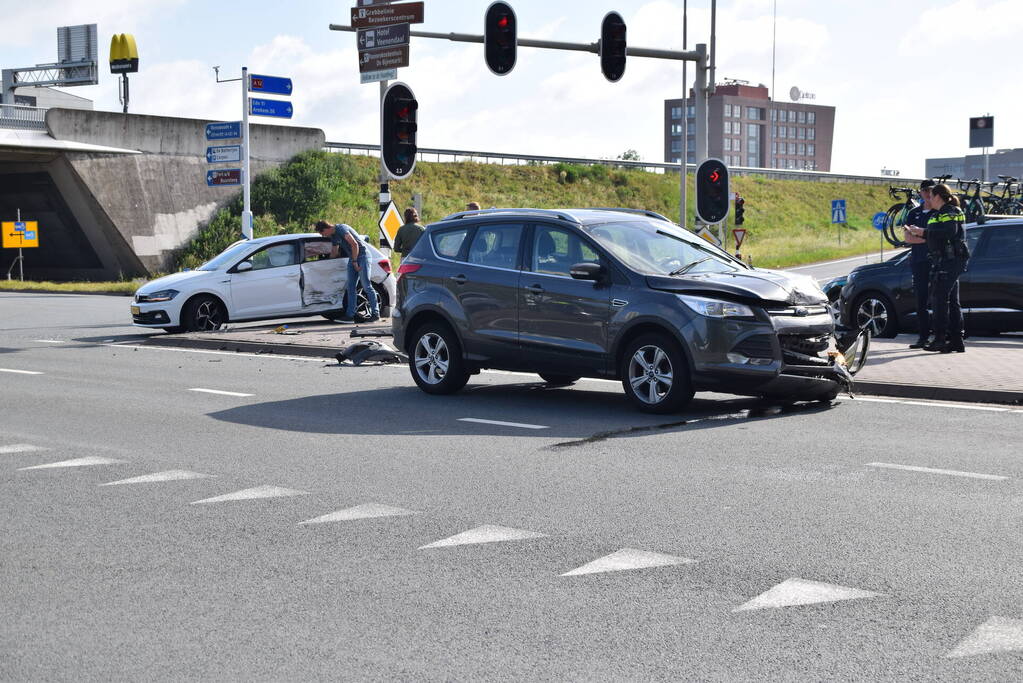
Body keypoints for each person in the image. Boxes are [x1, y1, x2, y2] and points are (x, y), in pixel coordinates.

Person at [922, 184, 967, 353]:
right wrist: (922, 233)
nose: (929, 199)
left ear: (938, 197)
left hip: (950, 260)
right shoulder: (941, 213)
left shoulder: (949, 211)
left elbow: (949, 232)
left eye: (931, 196)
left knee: (939, 299)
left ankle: (940, 339)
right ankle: (956, 341)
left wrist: (924, 232)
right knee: (952, 301)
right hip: (945, 260)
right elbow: (938, 234)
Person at [314, 220, 379, 324]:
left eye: (322, 233)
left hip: (362, 256)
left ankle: (375, 313)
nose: (323, 236)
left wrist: (354, 261)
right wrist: (323, 262)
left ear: (326, 229)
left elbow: (354, 245)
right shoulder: (333, 236)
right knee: (350, 287)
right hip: (352, 258)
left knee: (366, 285)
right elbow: (334, 252)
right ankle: (350, 315)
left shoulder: (341, 228)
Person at [903, 180, 935, 348]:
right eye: (925, 190)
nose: (928, 193)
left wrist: (921, 237)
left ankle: (940, 336)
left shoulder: (938, 213)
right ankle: (923, 337)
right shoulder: (914, 213)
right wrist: (926, 238)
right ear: (921, 192)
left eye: (931, 190)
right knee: (920, 301)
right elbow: (907, 238)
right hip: (918, 261)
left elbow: (937, 238)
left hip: (934, 262)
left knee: (938, 300)